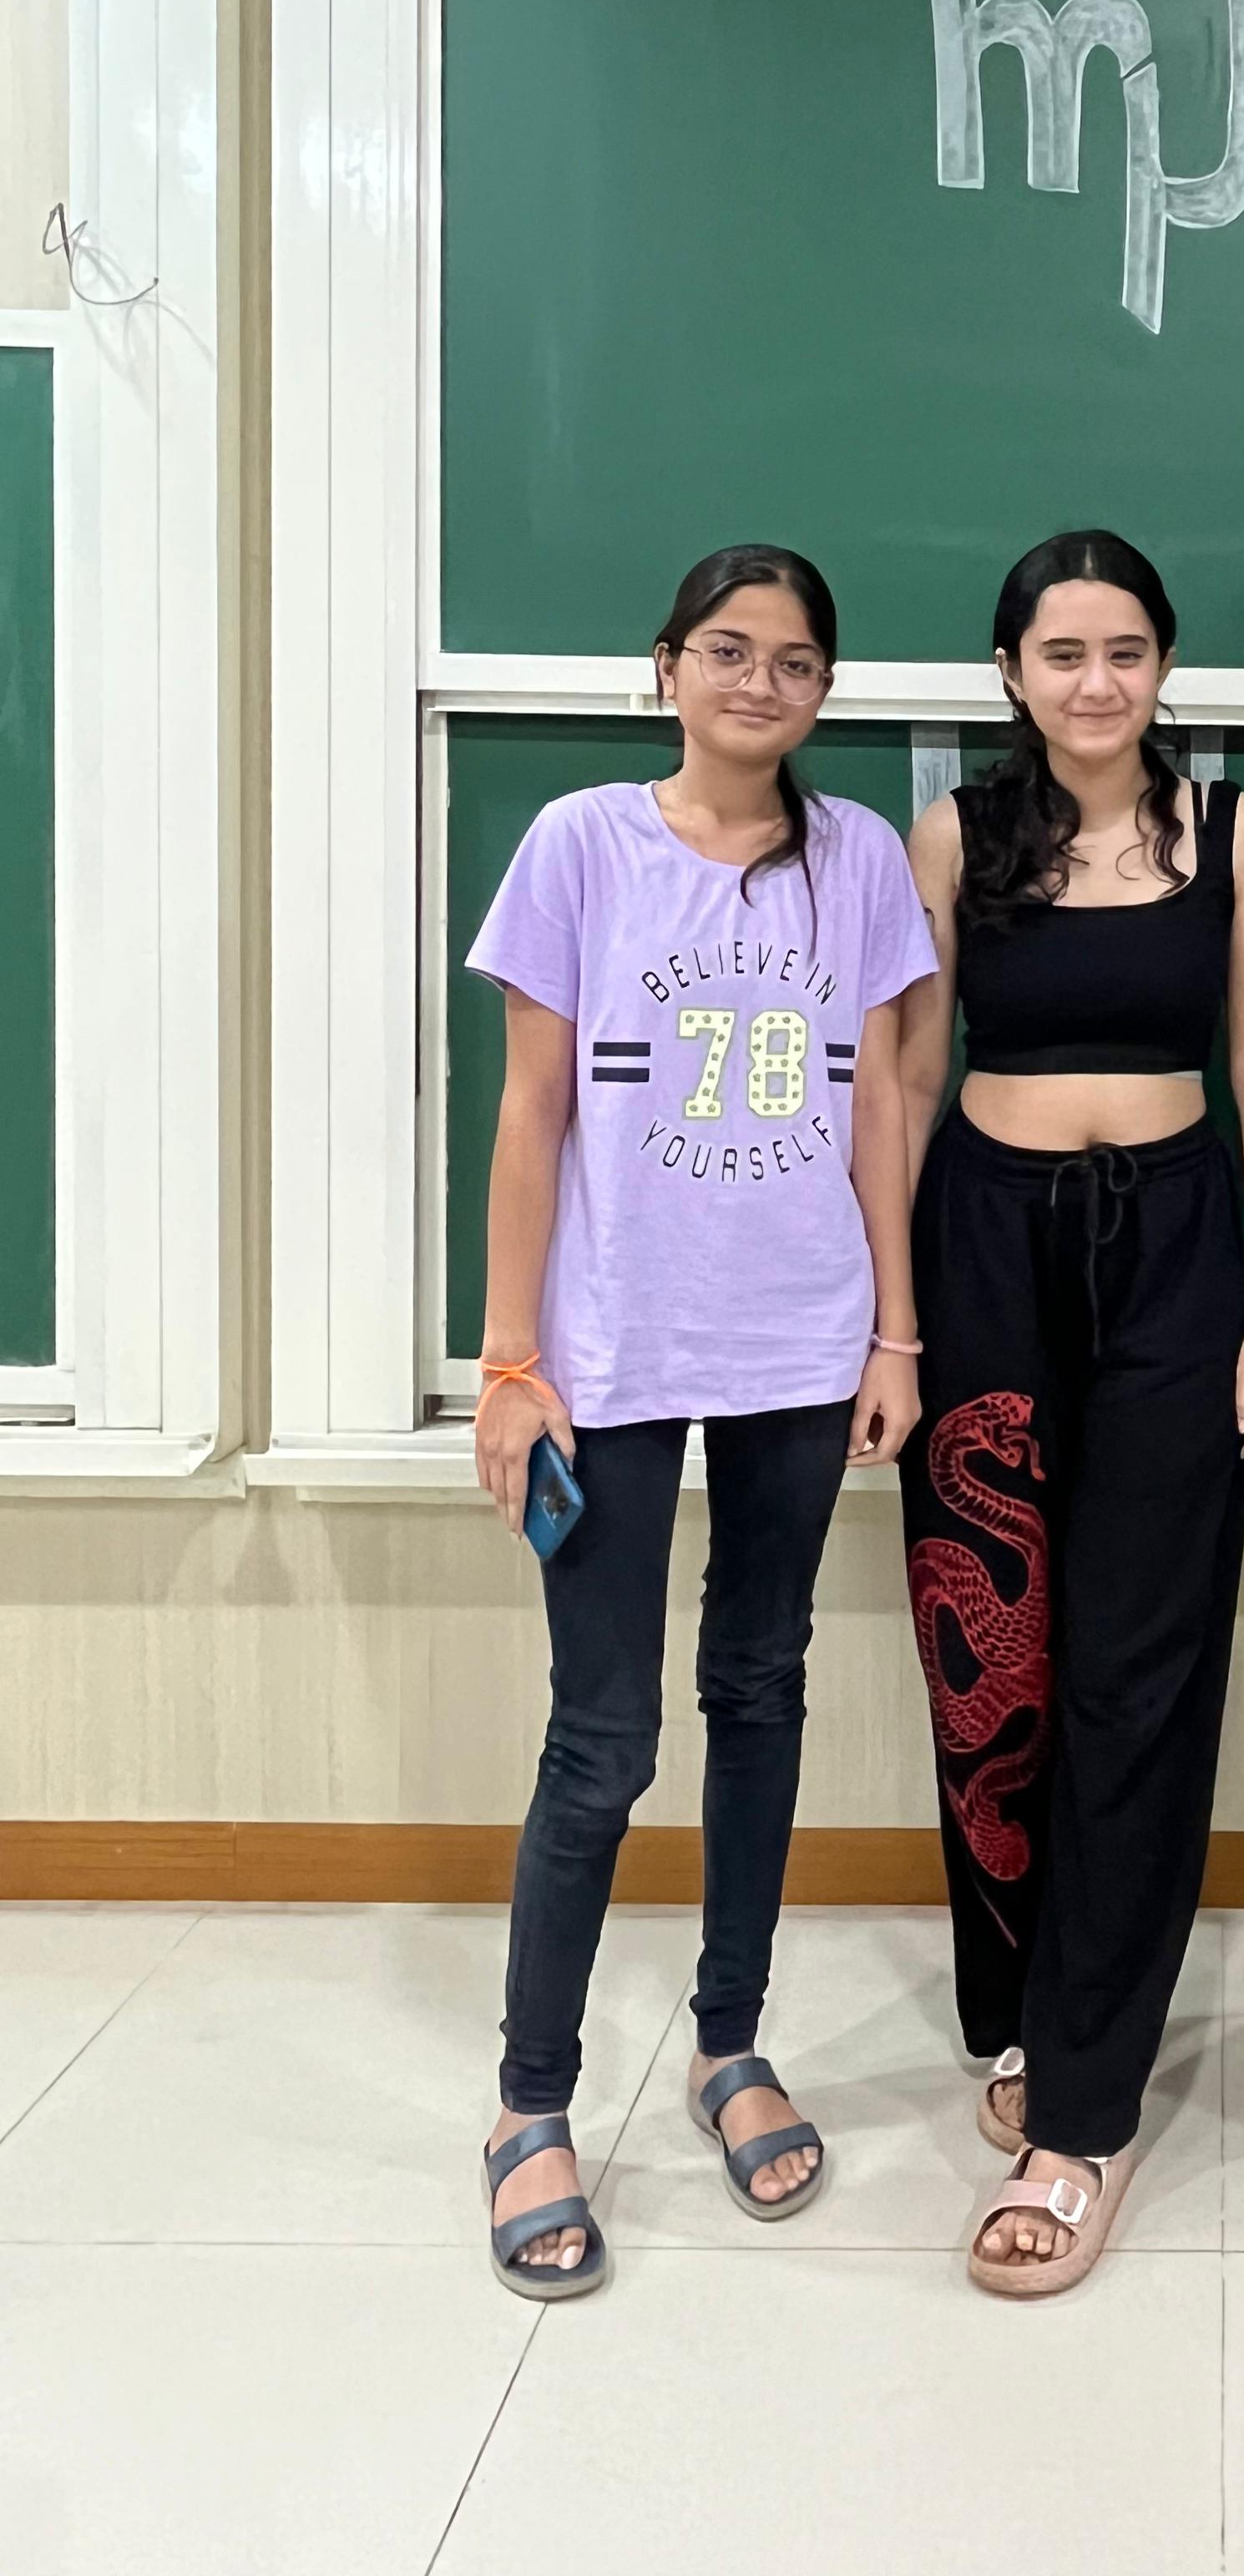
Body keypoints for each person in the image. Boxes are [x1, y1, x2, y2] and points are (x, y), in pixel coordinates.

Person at [467, 544, 933, 2300]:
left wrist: (894, 1332)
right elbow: (530, 1112)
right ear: (666, 666)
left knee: (762, 1685)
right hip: (612, 1352)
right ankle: (530, 2105)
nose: (759, 684)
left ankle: (729, 2043)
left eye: (795, 662)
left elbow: (881, 1107)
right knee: (603, 1740)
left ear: (824, 692)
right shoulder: (581, 844)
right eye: (727, 652)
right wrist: (511, 1358)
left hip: (801, 1346)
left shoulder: (859, 859)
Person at [898, 529, 1244, 2298]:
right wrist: (893, 1324)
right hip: (984, 1250)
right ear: (1011, 672)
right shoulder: (954, 838)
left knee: (1142, 1666)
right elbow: (906, 1077)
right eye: (1061, 652)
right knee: (990, 1659)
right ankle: (1019, 2005)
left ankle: (1086, 2109)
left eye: (1125, 650)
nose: (1095, 681)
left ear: (1164, 666)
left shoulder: (1231, 834)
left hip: (1180, 1256)